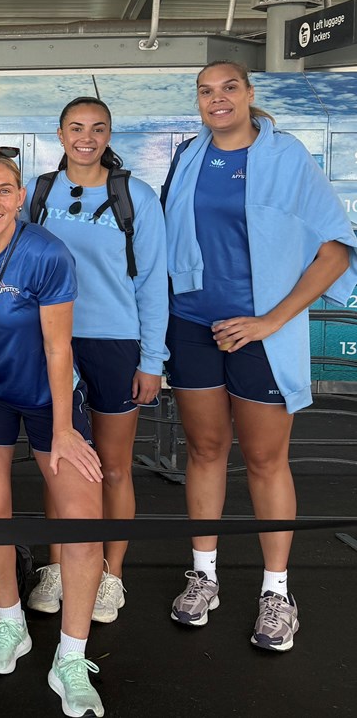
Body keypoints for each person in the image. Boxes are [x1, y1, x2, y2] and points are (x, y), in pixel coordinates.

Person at [161, 61, 357, 651]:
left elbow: (335, 249)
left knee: (268, 461)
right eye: (205, 91)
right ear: (197, 101)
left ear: (249, 94)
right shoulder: (188, 156)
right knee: (205, 450)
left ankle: (277, 592)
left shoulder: (287, 157)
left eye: (228, 89)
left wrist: (270, 321)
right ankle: (206, 576)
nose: (216, 100)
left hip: (260, 334)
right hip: (191, 324)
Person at [0, 147, 105, 718]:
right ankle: (12, 624)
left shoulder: (46, 253)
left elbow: (60, 349)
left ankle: (73, 654)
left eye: (4, 189)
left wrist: (62, 429)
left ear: (19, 196)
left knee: (83, 520)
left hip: (47, 397)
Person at [23, 97, 168, 625]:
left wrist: (153, 358)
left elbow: (154, 282)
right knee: (58, 461)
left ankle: (111, 575)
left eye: (98, 128)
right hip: (49, 342)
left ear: (109, 135)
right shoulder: (38, 193)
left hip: (113, 343)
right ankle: (59, 565)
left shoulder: (136, 197)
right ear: (59, 134)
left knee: (112, 466)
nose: (86, 137)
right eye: (76, 127)